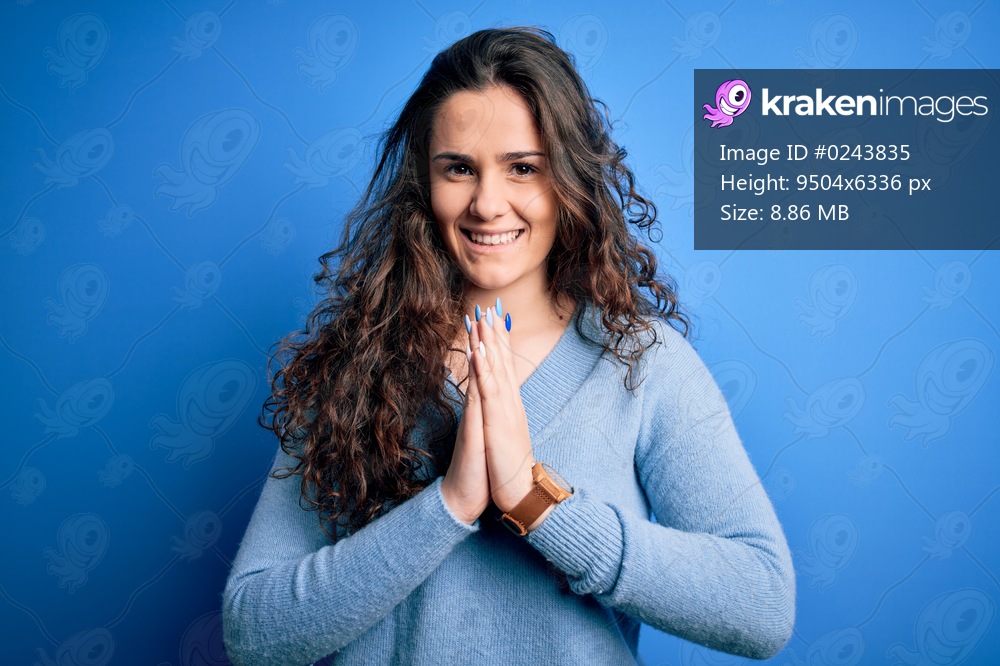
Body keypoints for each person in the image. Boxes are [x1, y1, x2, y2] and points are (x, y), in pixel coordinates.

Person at [222, 27, 794, 665]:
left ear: (568, 182)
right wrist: (449, 505)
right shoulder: (355, 364)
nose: (487, 203)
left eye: (523, 168)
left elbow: (762, 603)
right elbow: (253, 632)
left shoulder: (642, 362)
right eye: (460, 169)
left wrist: (536, 502)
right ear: (424, 186)